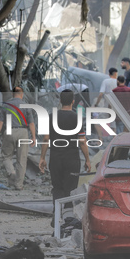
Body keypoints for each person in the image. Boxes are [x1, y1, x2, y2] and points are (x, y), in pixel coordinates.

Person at [38, 90, 91, 222]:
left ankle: (56, 216)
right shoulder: (77, 118)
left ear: (60, 101)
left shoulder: (51, 117)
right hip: (72, 158)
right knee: (70, 189)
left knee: (57, 188)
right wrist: (88, 160)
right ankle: (67, 219)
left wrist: (42, 157)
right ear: (73, 101)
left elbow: (46, 139)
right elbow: (82, 141)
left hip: (56, 157)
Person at [0, 87, 36, 190]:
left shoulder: (6, 105)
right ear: (22, 94)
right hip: (23, 132)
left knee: (6, 156)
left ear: (12, 94)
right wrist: (33, 137)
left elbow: (0, 122)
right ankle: (18, 185)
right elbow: (31, 123)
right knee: (22, 159)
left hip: (9, 131)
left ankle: (11, 172)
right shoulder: (26, 106)